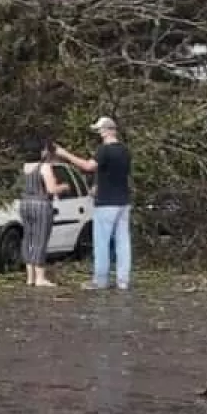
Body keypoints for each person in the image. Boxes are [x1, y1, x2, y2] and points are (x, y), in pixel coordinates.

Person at [56, 116, 132, 290]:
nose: (99, 134)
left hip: (106, 203)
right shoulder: (125, 151)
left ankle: (100, 280)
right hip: (123, 201)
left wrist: (64, 154)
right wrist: (97, 185)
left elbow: (88, 166)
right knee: (123, 242)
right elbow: (116, 174)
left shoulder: (104, 150)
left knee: (102, 242)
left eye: (100, 130)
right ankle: (123, 280)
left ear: (106, 130)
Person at [19, 137, 70, 287]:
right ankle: (40, 277)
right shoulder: (44, 167)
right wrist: (64, 187)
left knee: (28, 239)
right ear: (41, 151)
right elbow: (51, 189)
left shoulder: (25, 166)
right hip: (41, 204)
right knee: (40, 239)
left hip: (25, 203)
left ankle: (30, 277)